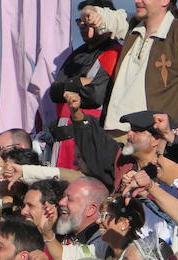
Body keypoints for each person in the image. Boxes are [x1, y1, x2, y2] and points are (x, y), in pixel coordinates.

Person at [84, 0, 178, 134]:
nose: (137, 1)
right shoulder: (131, 25)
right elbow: (95, 13)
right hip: (116, 130)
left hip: (154, 137)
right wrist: (90, 13)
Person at [47, 2, 123, 168]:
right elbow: (54, 92)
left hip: (90, 137)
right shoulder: (77, 54)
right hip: (64, 137)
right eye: (79, 21)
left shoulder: (114, 51)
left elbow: (96, 95)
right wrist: (80, 82)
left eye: (87, 20)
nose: (82, 25)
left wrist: (69, 86)